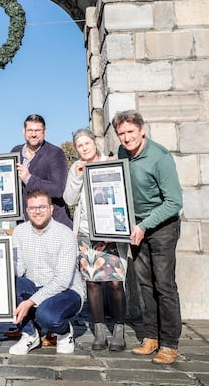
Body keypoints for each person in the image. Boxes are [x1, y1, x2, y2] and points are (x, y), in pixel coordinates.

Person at [113, 110, 183, 365]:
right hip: (137, 227)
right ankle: (150, 337)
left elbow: (174, 202)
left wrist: (144, 225)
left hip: (162, 227)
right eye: (121, 134)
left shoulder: (160, 158)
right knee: (144, 285)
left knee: (164, 286)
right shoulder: (122, 154)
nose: (126, 138)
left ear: (142, 130)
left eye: (130, 132)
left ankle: (169, 344)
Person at [63, 128, 129, 351]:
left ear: (94, 142)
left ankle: (119, 329)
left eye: (86, 144)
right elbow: (69, 199)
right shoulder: (76, 167)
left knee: (115, 281)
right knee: (92, 282)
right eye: (79, 146)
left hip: (110, 231)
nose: (84, 148)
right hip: (86, 232)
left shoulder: (110, 162)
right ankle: (99, 330)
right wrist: (78, 176)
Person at [9, 189, 85, 355]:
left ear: (51, 209)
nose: (37, 212)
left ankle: (64, 332)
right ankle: (30, 334)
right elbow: (19, 267)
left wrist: (30, 302)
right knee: (8, 283)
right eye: (33, 208)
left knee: (47, 316)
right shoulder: (19, 231)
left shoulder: (65, 234)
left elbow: (63, 280)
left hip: (66, 292)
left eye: (42, 207)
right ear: (27, 211)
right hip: (34, 285)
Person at [11, 114, 72, 228]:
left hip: (53, 224)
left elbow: (57, 190)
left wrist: (29, 179)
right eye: (30, 130)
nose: (33, 134)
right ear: (24, 131)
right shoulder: (15, 152)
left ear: (45, 131)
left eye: (38, 130)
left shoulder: (55, 153)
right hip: (26, 224)